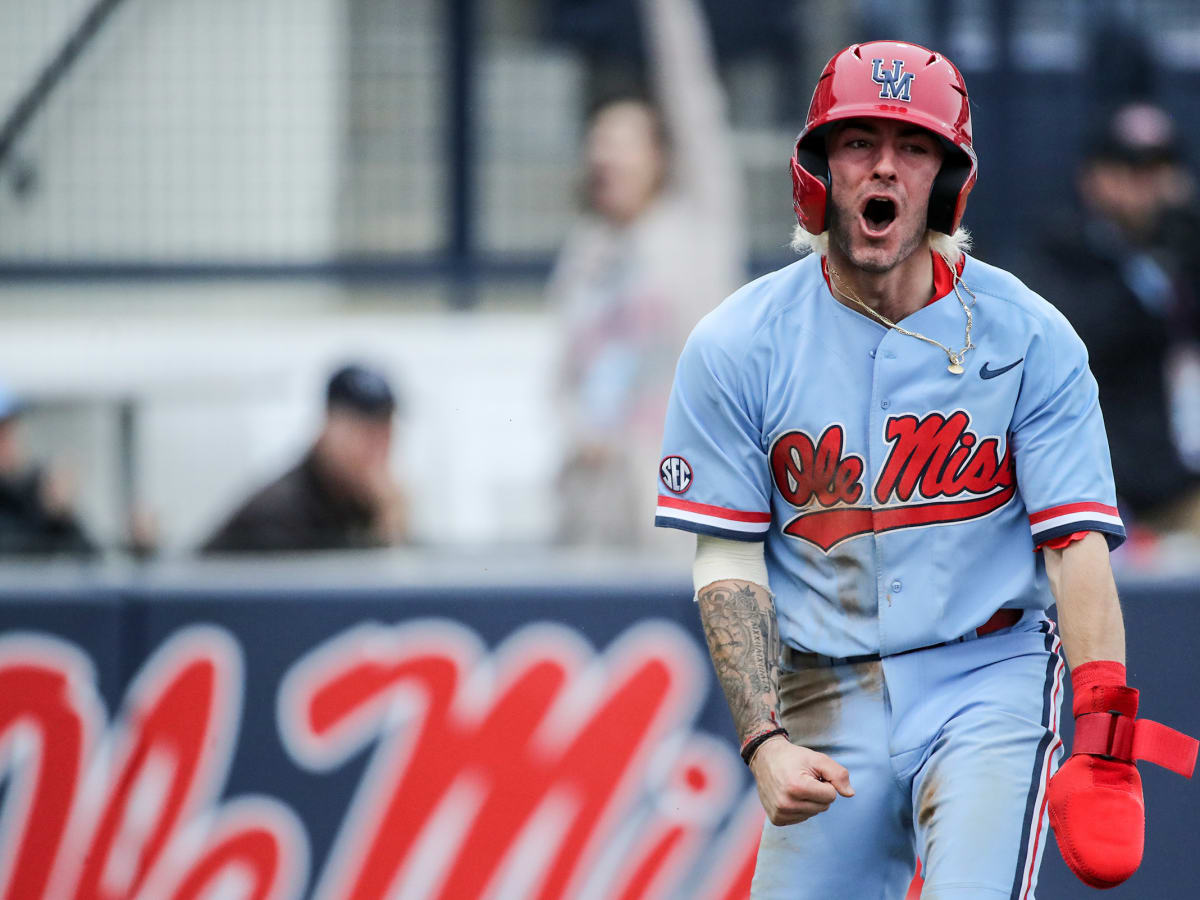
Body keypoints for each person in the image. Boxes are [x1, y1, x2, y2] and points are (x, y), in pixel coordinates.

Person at [653, 42, 1197, 898]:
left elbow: (1078, 545)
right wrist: (763, 738)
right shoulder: (737, 343)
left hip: (989, 677)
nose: (885, 167)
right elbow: (726, 557)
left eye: (913, 147)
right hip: (824, 691)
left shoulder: (1030, 334)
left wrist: (1102, 727)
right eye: (858, 141)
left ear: (948, 179)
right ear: (818, 170)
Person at [549, 0, 744, 549]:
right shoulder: (583, 253)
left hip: (683, 508)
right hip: (590, 509)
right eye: (597, 143)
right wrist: (580, 432)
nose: (604, 157)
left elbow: (695, 101)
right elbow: (563, 379)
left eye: (621, 142)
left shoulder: (696, 228)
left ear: (659, 156)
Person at [1029, 102, 1200, 534]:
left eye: (1161, 169)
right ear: (1094, 177)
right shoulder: (1063, 254)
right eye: (1132, 170)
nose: (1150, 186)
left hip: (1180, 486)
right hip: (1101, 497)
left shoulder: (1185, 248)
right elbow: (1080, 346)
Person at [202, 364, 408, 553]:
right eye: (365, 433)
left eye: (385, 433)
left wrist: (388, 527)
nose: (377, 448)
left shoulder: (360, 502)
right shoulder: (277, 514)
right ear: (328, 426)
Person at [0, 384, 95, 556]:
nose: (8, 442)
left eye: (10, 430)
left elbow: (89, 561)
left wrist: (61, 516)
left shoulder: (36, 492)